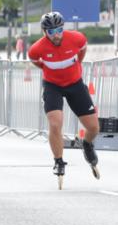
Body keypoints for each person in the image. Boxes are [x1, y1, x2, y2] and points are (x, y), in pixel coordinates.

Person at [28, 11, 100, 185]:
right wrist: (50, 72)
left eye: (59, 30)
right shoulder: (37, 49)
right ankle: (59, 161)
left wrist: (76, 67)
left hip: (75, 84)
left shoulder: (76, 38)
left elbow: (82, 52)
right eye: (51, 32)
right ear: (45, 32)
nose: (56, 35)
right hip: (53, 87)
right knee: (55, 123)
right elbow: (35, 61)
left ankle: (87, 144)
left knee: (94, 128)